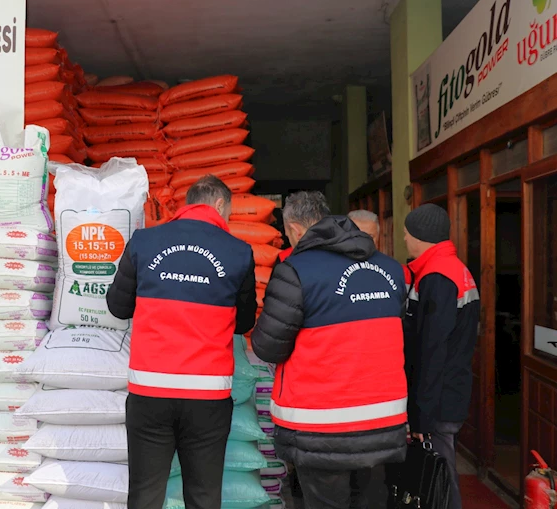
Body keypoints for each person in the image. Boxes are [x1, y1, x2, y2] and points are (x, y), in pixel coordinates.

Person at [106, 175, 257, 509]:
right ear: (219, 205)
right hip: (208, 397)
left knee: (145, 494)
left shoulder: (143, 242)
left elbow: (117, 307)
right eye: (228, 213)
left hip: (150, 393)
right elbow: (245, 322)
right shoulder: (238, 252)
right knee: (203, 496)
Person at [251, 191, 407, 509]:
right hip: (382, 419)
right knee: (371, 499)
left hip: (321, 424)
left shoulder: (296, 271)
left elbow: (267, 346)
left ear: (293, 229)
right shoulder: (391, 270)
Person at [400, 204, 479, 509]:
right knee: (438, 473)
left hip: (439, 400)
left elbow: (432, 351)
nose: (405, 240)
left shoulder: (437, 277)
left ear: (421, 236)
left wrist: (421, 414)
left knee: (439, 479)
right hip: (449, 391)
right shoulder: (452, 269)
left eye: (407, 234)